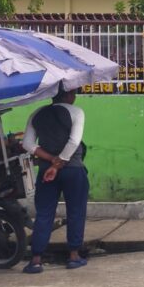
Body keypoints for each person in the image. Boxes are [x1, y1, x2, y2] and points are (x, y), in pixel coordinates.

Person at [21, 86, 89, 274]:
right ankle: (74, 256)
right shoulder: (76, 112)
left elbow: (27, 144)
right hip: (73, 170)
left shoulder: (37, 114)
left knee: (44, 213)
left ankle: (36, 260)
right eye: (74, 93)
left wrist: (51, 161)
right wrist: (58, 164)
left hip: (46, 171)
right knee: (75, 211)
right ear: (69, 95)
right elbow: (74, 142)